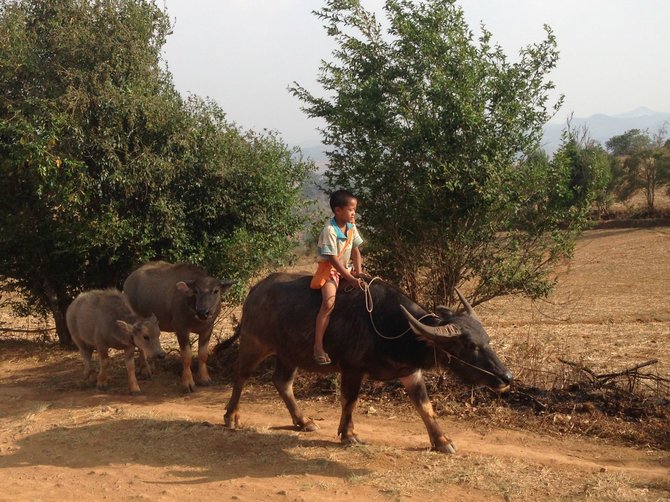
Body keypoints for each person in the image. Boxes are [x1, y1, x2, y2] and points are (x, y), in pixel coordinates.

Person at [310, 189, 364, 365]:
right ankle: (318, 346)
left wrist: (359, 271)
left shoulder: (351, 227)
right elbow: (333, 259)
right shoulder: (329, 230)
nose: (353, 213)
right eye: (350, 209)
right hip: (331, 270)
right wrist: (349, 278)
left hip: (347, 268)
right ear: (338, 210)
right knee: (329, 303)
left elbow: (356, 250)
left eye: (354, 209)